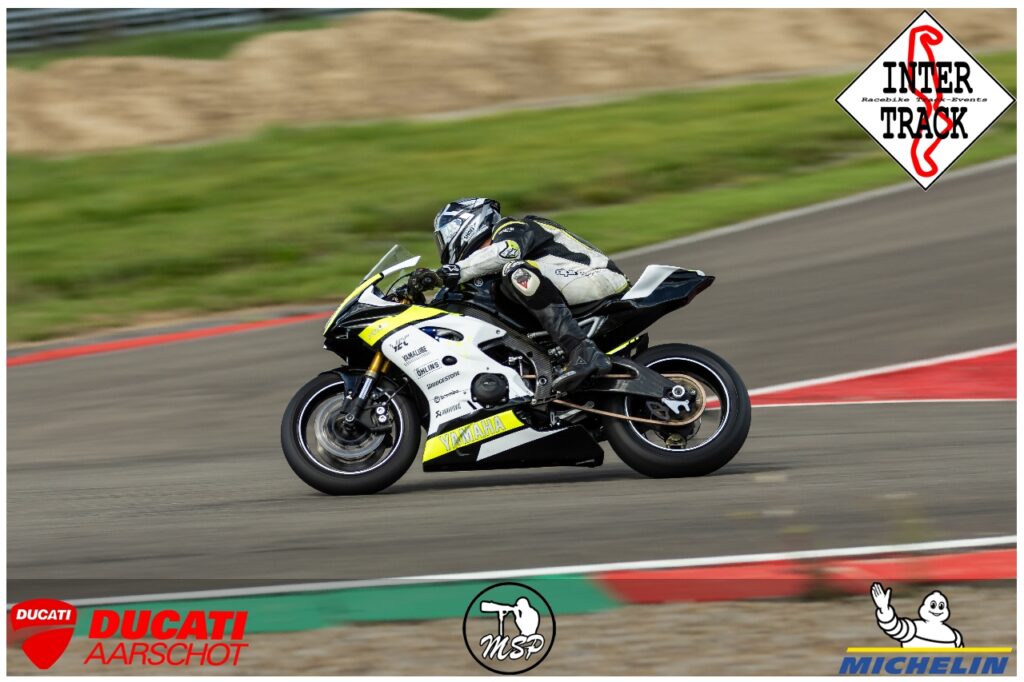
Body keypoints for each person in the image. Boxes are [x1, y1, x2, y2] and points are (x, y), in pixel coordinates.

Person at [415, 197, 629, 393]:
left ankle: (582, 350)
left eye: (443, 238)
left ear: (463, 226)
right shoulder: (484, 266)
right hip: (568, 286)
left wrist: (448, 273)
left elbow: (507, 251)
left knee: (516, 270)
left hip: (597, 277)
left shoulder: (511, 227)